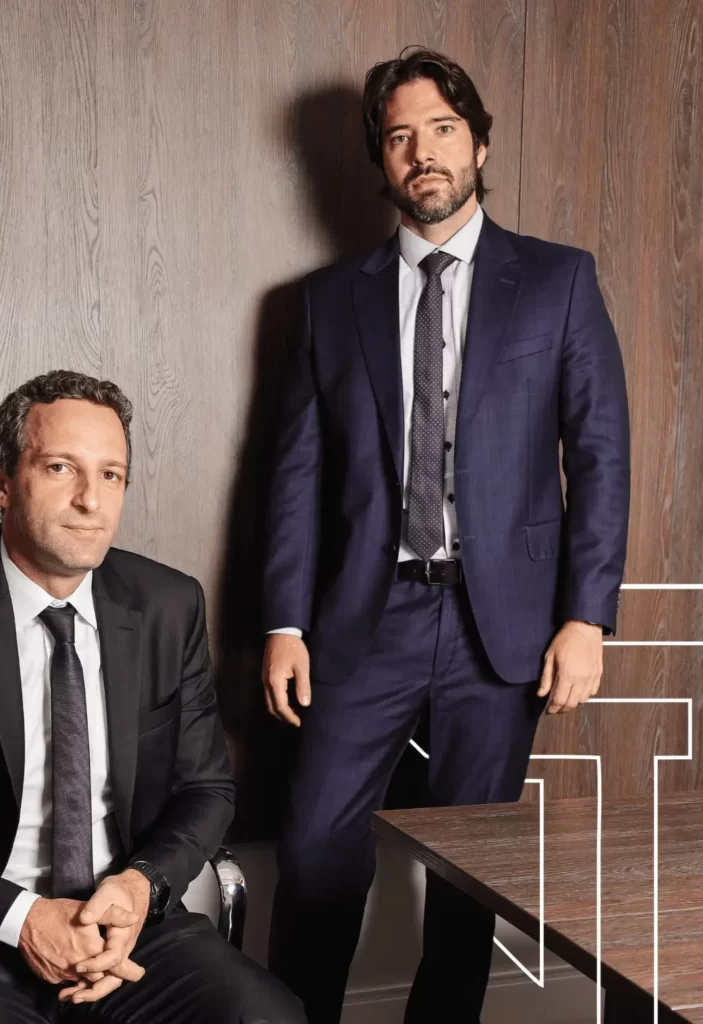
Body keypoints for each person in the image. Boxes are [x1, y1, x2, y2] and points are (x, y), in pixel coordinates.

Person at [262, 47, 630, 1023]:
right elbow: (296, 473)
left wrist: (586, 617)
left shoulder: (557, 282)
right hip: (362, 618)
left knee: (471, 878)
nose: (421, 152)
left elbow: (599, 455)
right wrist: (284, 623)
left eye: (441, 129)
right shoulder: (327, 302)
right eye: (399, 137)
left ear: (479, 143)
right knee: (316, 853)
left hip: (500, 627)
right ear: (379, 162)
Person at [0, 370, 304, 1024]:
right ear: (1, 483)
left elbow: (206, 789)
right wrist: (21, 918)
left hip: (123, 930)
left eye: (111, 475)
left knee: (267, 1016)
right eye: (60, 468)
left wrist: (141, 886)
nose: (90, 500)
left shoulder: (168, 604)